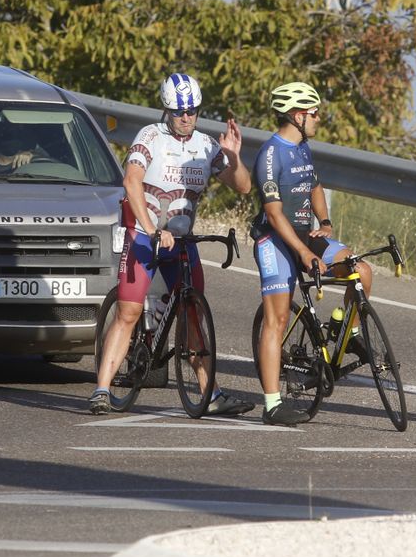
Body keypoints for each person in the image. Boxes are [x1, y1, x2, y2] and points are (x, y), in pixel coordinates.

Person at [90, 72, 255, 416]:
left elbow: (243, 188)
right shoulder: (150, 137)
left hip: (180, 240)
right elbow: (131, 182)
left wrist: (234, 158)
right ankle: (102, 389)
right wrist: (150, 229)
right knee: (129, 312)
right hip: (144, 235)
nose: (186, 118)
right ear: (167, 110)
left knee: (193, 314)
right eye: (180, 112)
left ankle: (210, 393)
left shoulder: (207, 146)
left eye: (192, 111)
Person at [251, 81, 372, 427]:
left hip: (306, 233)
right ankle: (272, 405)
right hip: (274, 239)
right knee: (276, 321)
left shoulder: (303, 146)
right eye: (315, 113)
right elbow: (274, 215)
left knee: (360, 271)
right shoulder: (270, 155)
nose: (320, 118)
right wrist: (304, 253)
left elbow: (315, 185)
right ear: (297, 115)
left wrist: (326, 222)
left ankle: (346, 329)